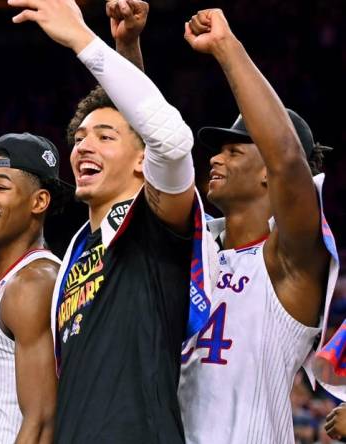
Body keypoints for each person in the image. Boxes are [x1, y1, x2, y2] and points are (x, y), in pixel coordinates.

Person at [8, 0, 214, 442]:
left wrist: (84, 40)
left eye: (104, 137)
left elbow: (171, 142)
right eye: (79, 138)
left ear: (143, 162)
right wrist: (128, 49)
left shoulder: (154, 225)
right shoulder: (81, 248)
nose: (83, 147)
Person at [177, 9, 339, 443]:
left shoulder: (291, 262)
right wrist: (129, 49)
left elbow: (287, 157)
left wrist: (227, 48)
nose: (213, 158)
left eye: (233, 151)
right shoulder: (197, 247)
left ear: (267, 171)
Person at [0, 133, 67, 443]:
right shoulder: (6, 283)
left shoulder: (34, 282)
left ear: (39, 201)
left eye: (1, 186)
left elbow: (42, 423)